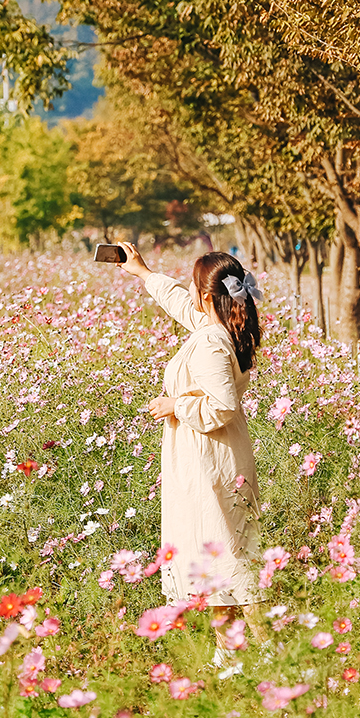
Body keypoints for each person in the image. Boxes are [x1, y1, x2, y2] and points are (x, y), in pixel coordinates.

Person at [116, 242, 264, 641]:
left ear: (205, 297)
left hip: (208, 457)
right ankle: (231, 652)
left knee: (230, 556)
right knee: (217, 554)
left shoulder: (210, 342)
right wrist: (144, 274)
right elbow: (184, 305)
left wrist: (174, 405)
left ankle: (270, 652)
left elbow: (221, 407)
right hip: (216, 454)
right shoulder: (218, 328)